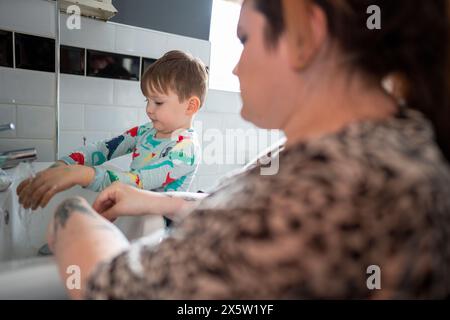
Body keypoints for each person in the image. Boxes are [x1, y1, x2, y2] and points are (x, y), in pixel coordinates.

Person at [47, 0, 450, 299]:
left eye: (245, 38)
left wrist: (73, 213)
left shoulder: (331, 189)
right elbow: (234, 205)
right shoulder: (385, 144)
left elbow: (113, 289)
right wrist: (161, 201)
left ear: (304, 34)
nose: (236, 67)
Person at [16, 50, 208, 210]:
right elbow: (105, 148)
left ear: (190, 106)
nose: (149, 109)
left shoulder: (185, 150)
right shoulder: (146, 131)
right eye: (147, 100)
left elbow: (138, 181)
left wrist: (78, 174)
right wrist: (64, 165)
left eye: (158, 102)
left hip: (155, 232)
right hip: (132, 217)